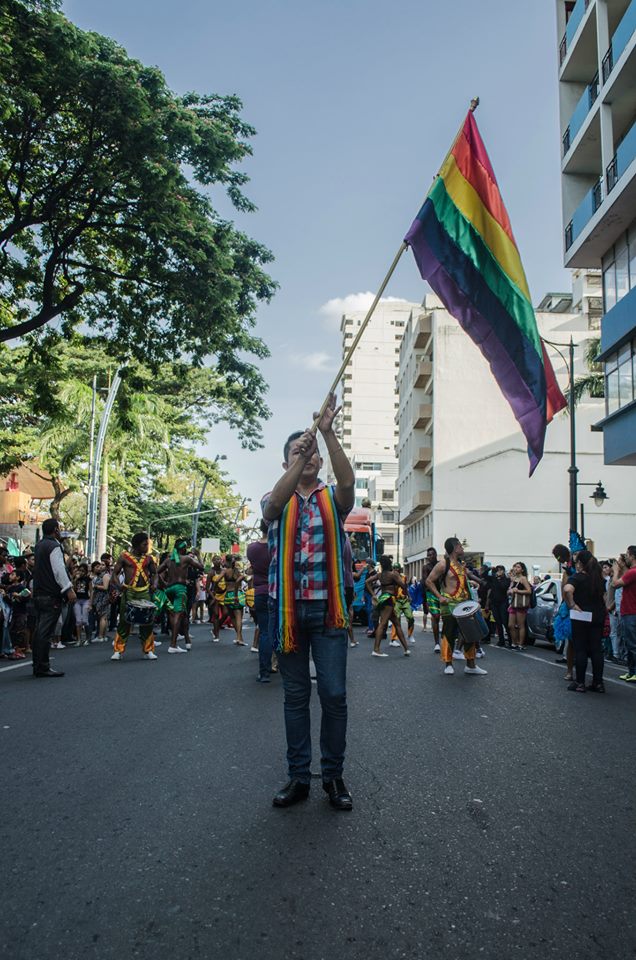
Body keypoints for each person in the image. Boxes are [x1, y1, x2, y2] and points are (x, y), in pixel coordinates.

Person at [263, 393, 355, 811]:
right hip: (287, 614)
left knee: (334, 695)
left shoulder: (332, 498)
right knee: (295, 698)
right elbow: (274, 507)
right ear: (288, 464)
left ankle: (332, 776)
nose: (310, 457)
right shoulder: (275, 497)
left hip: (328, 611)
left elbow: (349, 485)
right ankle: (299, 777)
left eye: (312, 453)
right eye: (300, 454)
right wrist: (302, 450)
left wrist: (327, 433)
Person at [425, 537, 486, 676]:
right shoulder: (443, 564)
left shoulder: (461, 565)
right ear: (454, 547)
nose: (463, 548)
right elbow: (429, 581)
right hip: (449, 605)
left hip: (464, 605)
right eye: (460, 546)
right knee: (449, 634)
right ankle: (448, 663)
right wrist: (440, 597)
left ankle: (471, 665)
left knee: (471, 634)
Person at [31, 518, 76, 677]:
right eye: (59, 528)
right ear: (55, 530)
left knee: (39, 630)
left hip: (39, 594)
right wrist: (68, 589)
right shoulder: (54, 546)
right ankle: (42, 666)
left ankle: (37, 664)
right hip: (51, 595)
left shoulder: (39, 545)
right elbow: (59, 570)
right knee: (45, 632)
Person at [563, 549, 607, 693]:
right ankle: (598, 682)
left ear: (580, 563)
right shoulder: (599, 578)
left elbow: (567, 589)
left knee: (580, 648)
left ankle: (580, 682)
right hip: (598, 615)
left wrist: (572, 604)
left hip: (581, 615)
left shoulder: (578, 577)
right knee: (596, 649)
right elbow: (605, 597)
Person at [110, 533, 158, 661]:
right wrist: (119, 586)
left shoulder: (149, 559)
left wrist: (154, 584)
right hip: (129, 592)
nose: (147, 547)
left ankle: (148, 650)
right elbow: (114, 574)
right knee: (125, 620)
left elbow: (155, 574)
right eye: (145, 544)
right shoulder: (124, 557)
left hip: (144, 592)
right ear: (137, 545)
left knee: (147, 621)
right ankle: (118, 650)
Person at [157, 539, 204, 653]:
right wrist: (198, 554)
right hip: (180, 589)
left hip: (169, 589)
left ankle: (187, 640)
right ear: (182, 548)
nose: (187, 550)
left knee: (179, 615)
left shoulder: (168, 560)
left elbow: (156, 571)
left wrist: (163, 583)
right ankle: (173, 645)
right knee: (179, 615)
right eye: (186, 548)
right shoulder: (186, 559)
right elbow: (201, 567)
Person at [367, 555, 410, 657]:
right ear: (389, 564)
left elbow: (367, 582)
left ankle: (406, 649)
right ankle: (376, 649)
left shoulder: (380, 575)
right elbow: (403, 585)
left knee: (396, 623)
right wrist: (406, 592)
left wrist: (373, 595)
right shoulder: (393, 575)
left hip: (383, 598)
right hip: (389, 599)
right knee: (383, 624)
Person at [247, 520, 274, 682]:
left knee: (264, 631)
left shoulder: (252, 548)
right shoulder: (276, 547)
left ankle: (264, 672)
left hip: (260, 593)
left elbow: (252, 567)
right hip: (276, 591)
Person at [613, 546, 636, 682]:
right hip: (629, 611)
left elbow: (615, 584)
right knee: (629, 643)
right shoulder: (631, 572)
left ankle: (634, 671)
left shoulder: (633, 572)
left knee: (632, 644)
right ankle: (631, 671)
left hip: (631, 612)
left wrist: (616, 571)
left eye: (627, 555)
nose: (626, 557)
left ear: (632, 556)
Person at [221, 554, 247, 646]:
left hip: (228, 595)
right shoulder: (237, 572)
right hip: (237, 595)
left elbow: (216, 580)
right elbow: (238, 582)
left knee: (232, 617)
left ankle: (239, 637)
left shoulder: (225, 571)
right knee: (239, 618)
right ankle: (239, 638)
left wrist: (217, 590)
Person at [507, 562, 532, 651]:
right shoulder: (514, 579)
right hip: (513, 603)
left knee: (520, 625)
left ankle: (520, 644)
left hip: (521, 604)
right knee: (511, 625)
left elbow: (529, 591)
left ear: (522, 569)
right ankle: (514, 643)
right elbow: (509, 590)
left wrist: (518, 591)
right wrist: (510, 590)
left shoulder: (523, 578)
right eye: (515, 567)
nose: (516, 569)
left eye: (518, 567)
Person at [421, 547, 441, 653]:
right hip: (431, 594)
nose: (430, 557)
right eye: (428, 555)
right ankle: (437, 643)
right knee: (436, 617)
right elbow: (425, 581)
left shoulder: (441, 564)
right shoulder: (426, 567)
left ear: (436, 554)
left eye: (431, 554)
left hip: (443, 592)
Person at [487, 565, 511, 647]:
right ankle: (501, 640)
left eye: (500, 570)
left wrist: (497, 578)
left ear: (504, 571)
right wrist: (489, 569)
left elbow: (503, 587)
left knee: (505, 621)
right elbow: (485, 578)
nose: (499, 572)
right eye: (497, 570)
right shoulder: (493, 579)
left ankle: (510, 640)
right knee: (498, 622)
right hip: (494, 602)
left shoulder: (507, 580)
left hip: (503, 602)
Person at [90, 559, 111, 642]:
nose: (100, 567)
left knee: (103, 617)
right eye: (100, 565)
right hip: (100, 597)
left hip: (103, 598)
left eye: (103, 565)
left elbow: (105, 587)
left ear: (106, 567)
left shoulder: (105, 576)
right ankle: (103, 636)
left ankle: (100, 636)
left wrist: (96, 586)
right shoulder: (101, 575)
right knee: (103, 617)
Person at [73, 562, 91, 645]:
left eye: (83, 571)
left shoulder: (88, 579)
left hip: (85, 600)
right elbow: (73, 589)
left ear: (86, 572)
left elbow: (91, 591)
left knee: (85, 620)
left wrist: (91, 603)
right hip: (77, 600)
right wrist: (75, 579)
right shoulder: (76, 579)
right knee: (78, 621)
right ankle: (79, 639)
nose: (81, 572)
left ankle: (87, 638)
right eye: (80, 570)